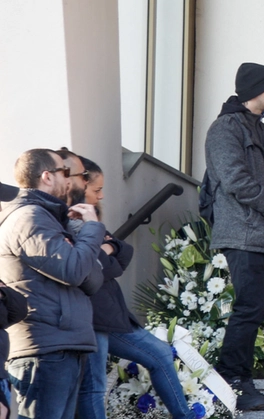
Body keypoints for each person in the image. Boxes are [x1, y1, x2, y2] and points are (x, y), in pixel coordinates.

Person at [73, 157, 196, 419]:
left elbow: (123, 252)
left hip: (111, 314)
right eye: (96, 190)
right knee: (93, 388)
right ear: (79, 185)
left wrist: (108, 250)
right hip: (91, 316)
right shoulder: (68, 221)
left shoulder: (90, 219)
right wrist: (108, 254)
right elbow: (90, 268)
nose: (102, 195)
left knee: (161, 354)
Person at [205, 62, 264, 411]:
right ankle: (233, 384)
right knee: (247, 310)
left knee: (254, 310)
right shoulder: (224, 129)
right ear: (256, 91)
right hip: (242, 234)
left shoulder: (263, 130)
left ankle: (239, 382)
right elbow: (235, 180)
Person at [0, 149, 104, 419]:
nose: (70, 181)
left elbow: (92, 280)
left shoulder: (51, 218)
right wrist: (92, 229)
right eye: (65, 172)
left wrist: (80, 235)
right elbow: (73, 270)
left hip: (63, 344)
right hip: (44, 350)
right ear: (47, 176)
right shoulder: (29, 217)